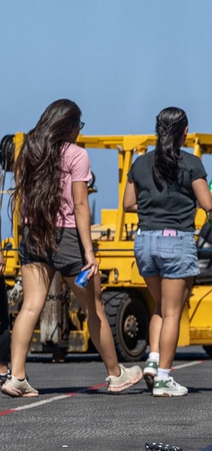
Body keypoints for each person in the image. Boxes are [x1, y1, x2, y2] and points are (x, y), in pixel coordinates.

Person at [2, 99, 143, 397]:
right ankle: (115, 374)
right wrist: (89, 252)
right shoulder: (76, 155)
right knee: (95, 307)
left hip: (34, 233)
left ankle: (16, 376)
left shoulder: (28, 151)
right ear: (68, 127)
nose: (80, 131)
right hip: (66, 237)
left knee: (30, 305)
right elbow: (81, 205)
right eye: (79, 126)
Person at [123, 107, 212, 398]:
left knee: (159, 305)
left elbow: (128, 204)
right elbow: (207, 204)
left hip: (145, 241)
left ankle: (153, 360)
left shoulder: (140, 163)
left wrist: (154, 204)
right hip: (175, 241)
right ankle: (165, 378)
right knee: (172, 313)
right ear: (185, 132)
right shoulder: (191, 163)